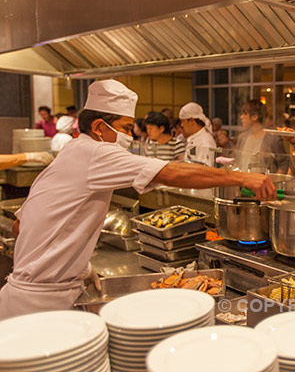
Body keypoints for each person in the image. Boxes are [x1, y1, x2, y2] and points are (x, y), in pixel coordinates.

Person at [0, 80, 275, 320]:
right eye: (126, 127)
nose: (130, 136)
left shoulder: (72, 152)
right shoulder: (96, 152)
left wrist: (72, 262)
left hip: (24, 298)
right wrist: (242, 179)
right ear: (98, 127)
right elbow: (172, 172)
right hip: (41, 307)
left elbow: (19, 227)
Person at [234, 100, 289, 174]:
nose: (241, 117)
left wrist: (273, 181)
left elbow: (284, 164)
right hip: (245, 183)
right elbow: (238, 162)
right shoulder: (242, 137)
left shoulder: (272, 139)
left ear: (255, 117)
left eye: (244, 114)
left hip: (265, 183)